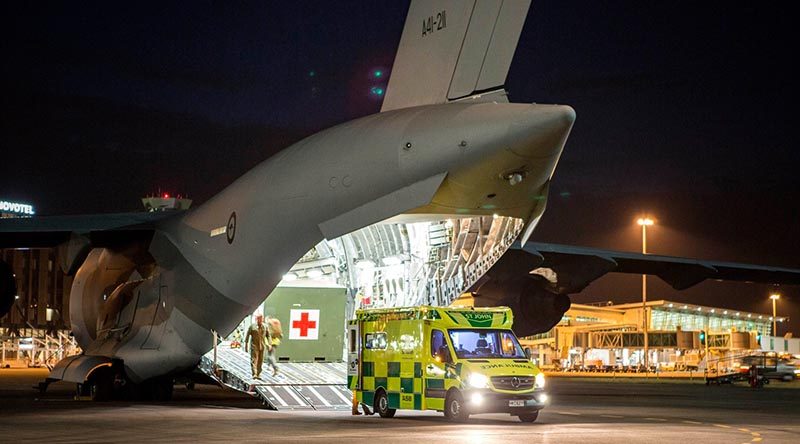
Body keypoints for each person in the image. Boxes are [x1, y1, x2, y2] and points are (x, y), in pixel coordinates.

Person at [245, 314, 270, 379]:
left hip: (262, 346)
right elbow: (247, 335)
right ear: (257, 319)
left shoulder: (265, 326)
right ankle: (254, 374)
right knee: (254, 359)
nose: (261, 320)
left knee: (260, 360)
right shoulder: (252, 326)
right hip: (254, 345)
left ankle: (258, 374)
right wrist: (246, 345)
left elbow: (268, 335)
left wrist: (269, 344)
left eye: (262, 318)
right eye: (259, 318)